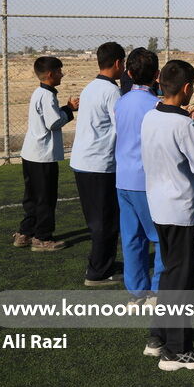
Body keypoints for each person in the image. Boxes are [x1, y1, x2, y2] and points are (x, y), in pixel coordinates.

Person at [141, 59, 194, 371]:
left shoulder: (151, 116)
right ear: (186, 88)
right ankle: (177, 351)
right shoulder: (184, 125)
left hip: (158, 205)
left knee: (170, 273)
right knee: (182, 280)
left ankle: (158, 336)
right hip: (179, 210)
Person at [114, 48, 164, 354]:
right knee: (160, 237)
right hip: (146, 180)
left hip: (123, 179)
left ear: (129, 73)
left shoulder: (121, 101)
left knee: (132, 237)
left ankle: (136, 293)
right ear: (156, 75)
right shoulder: (155, 105)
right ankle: (157, 292)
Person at [69, 42, 125, 286]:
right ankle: (98, 272)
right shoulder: (112, 92)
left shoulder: (90, 87)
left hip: (83, 161)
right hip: (99, 163)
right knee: (105, 220)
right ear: (118, 63)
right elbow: (120, 126)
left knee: (97, 219)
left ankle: (101, 262)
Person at [12, 56, 78, 252]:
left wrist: (64, 109)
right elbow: (53, 122)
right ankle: (42, 237)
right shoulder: (48, 96)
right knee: (46, 198)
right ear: (50, 74)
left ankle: (25, 232)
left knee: (32, 197)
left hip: (31, 153)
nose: (62, 75)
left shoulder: (39, 92)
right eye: (59, 71)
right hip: (43, 155)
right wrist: (69, 109)